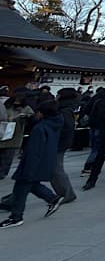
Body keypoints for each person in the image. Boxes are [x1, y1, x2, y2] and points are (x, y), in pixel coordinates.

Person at [0, 99, 64, 229]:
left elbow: (34, 151)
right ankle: (52, 198)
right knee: (31, 184)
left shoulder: (40, 128)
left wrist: (28, 169)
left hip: (33, 163)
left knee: (21, 188)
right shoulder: (55, 123)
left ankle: (16, 216)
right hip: (45, 160)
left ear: (42, 113)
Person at [0, 88, 35, 179]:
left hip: (16, 132)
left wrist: (25, 116)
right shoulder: (6, 104)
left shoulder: (26, 107)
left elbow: (32, 117)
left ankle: (2, 172)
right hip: (3, 130)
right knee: (3, 153)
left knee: (8, 154)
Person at [51, 88, 78, 204]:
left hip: (58, 143)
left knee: (56, 169)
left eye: (58, 94)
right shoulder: (65, 109)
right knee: (54, 168)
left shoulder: (64, 111)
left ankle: (67, 194)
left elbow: (66, 128)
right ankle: (64, 192)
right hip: (60, 142)